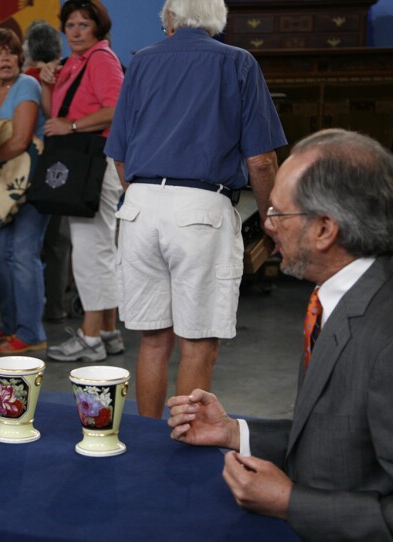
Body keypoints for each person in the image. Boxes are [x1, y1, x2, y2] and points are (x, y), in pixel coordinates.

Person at [167, 129, 393, 540]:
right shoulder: (353, 291)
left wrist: (290, 502)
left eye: (279, 214)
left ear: (325, 229)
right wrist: (235, 433)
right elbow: (345, 434)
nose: (267, 225)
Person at [105, 0, 286, 417]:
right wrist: (272, 218)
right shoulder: (238, 63)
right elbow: (261, 160)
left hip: (139, 207)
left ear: (170, 19)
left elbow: (119, 156)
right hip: (202, 210)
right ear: (216, 19)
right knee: (198, 343)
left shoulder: (142, 63)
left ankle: (150, 440)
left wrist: (145, 196)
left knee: (153, 341)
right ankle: (182, 447)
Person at [40, 0, 125, 362]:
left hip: (95, 163)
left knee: (93, 252)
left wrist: (72, 126)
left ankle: (90, 338)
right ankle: (107, 331)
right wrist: (48, 84)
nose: (74, 31)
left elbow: (117, 108)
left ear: (97, 29)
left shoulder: (101, 60)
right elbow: (55, 116)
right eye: (70, 25)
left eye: (83, 25)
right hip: (85, 163)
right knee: (98, 249)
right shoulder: (75, 62)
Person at [0, 28, 48, 354]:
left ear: (20, 58)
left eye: (10, 52)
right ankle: (12, 324)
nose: (5, 59)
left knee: (22, 255)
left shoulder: (27, 85)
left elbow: (19, 140)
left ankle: (32, 332)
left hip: (30, 185)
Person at [23, 20, 70, 324]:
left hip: (24, 168)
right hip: (59, 168)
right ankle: (55, 307)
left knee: (26, 244)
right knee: (57, 242)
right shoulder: (61, 78)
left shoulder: (22, 80)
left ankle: (28, 310)